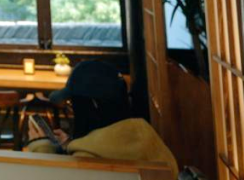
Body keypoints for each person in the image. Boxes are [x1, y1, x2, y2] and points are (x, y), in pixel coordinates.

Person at [27, 60, 178, 178]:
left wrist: (42, 149)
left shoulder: (88, 161)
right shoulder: (147, 136)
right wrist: (71, 145)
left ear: (93, 105)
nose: (72, 110)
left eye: (72, 104)